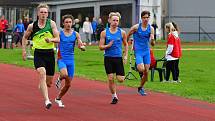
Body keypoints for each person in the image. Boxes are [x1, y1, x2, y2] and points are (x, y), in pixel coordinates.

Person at [22, 3, 60, 109]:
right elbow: (24, 38)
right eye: (41, 12)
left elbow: (58, 39)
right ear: (38, 13)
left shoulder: (51, 24)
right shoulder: (32, 26)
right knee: (42, 73)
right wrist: (24, 51)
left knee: (49, 82)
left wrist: (51, 40)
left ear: (48, 14)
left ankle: (42, 83)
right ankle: (47, 100)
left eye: (45, 12)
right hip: (38, 53)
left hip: (49, 54)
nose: (43, 14)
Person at [54, 14, 85, 108]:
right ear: (63, 23)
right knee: (64, 74)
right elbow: (55, 40)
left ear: (72, 23)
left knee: (68, 84)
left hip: (71, 60)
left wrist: (82, 47)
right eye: (66, 22)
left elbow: (80, 43)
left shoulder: (76, 34)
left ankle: (58, 98)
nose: (68, 24)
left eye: (70, 22)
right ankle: (59, 78)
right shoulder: (59, 33)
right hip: (61, 58)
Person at [99, 12, 128, 104]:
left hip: (118, 58)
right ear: (109, 21)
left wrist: (126, 56)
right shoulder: (104, 33)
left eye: (117, 20)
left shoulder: (122, 32)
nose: (115, 22)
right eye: (114, 20)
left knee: (121, 79)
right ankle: (114, 96)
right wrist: (108, 46)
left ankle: (117, 78)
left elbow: (126, 44)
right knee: (111, 78)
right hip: (108, 58)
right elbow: (100, 47)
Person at [127, 10, 155, 96]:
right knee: (141, 69)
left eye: (147, 17)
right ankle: (138, 64)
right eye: (144, 17)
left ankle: (140, 87)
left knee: (146, 72)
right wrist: (127, 44)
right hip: (138, 51)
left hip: (146, 51)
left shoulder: (151, 29)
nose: (146, 19)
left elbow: (153, 44)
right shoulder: (136, 27)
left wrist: (152, 39)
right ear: (141, 18)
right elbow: (127, 36)